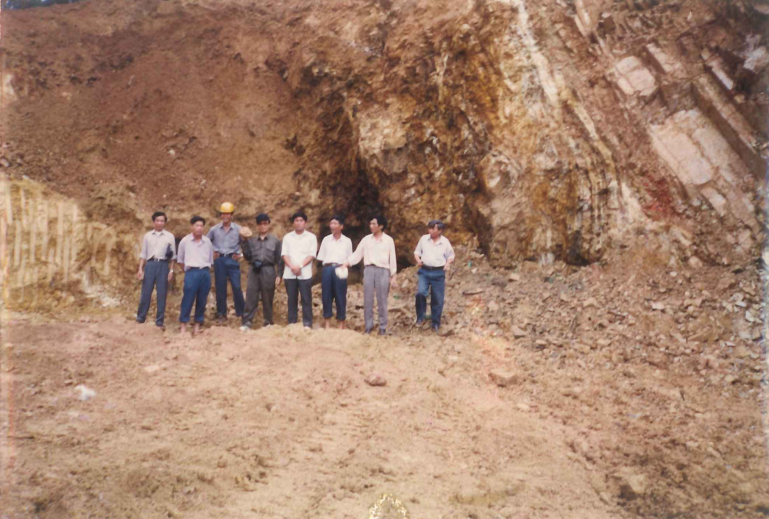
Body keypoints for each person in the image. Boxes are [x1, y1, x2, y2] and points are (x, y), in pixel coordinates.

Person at [342, 215, 397, 335]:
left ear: (381, 226)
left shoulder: (388, 240)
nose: (371, 226)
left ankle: (382, 326)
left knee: (382, 300)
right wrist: (346, 263)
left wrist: (393, 275)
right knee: (368, 299)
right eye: (370, 223)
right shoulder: (366, 239)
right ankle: (368, 326)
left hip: (383, 270)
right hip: (369, 270)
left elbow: (392, 258)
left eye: (374, 224)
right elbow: (357, 254)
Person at [240, 213, 283, 331]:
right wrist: (244, 241)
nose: (263, 226)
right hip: (254, 270)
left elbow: (279, 259)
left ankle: (268, 322)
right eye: (260, 224)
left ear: (269, 224)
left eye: (265, 223)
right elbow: (247, 256)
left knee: (268, 296)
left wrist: (279, 274)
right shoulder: (252, 240)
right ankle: (247, 322)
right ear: (257, 225)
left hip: (268, 269)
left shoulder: (275, 241)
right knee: (251, 296)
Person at [136, 211, 176, 329]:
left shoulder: (170, 236)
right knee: (146, 292)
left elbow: (173, 256)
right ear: (153, 222)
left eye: (162, 221)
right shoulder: (147, 236)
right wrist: (140, 269)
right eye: (157, 220)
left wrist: (171, 271)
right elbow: (143, 254)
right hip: (150, 264)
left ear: (165, 222)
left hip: (163, 265)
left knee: (162, 293)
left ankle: (159, 320)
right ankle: (141, 317)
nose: (159, 223)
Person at [413, 220, 455, 332]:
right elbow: (417, 252)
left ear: (440, 230)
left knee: (437, 298)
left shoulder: (445, 242)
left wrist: (447, 263)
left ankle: (435, 322)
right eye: (429, 227)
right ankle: (420, 317)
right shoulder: (423, 239)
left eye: (433, 228)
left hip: (438, 272)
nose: (430, 230)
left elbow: (451, 256)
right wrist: (418, 261)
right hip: (425, 271)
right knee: (421, 293)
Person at [208, 202, 246, 325]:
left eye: (228, 214)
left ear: (232, 215)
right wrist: (212, 253)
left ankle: (241, 312)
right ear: (220, 215)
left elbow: (245, 244)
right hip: (219, 261)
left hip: (232, 260)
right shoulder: (214, 230)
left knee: (236, 287)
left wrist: (241, 255)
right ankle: (221, 314)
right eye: (223, 214)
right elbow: (206, 243)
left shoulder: (238, 229)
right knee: (220, 288)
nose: (225, 216)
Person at [177, 216, 214, 335]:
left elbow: (210, 258)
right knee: (187, 299)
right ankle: (183, 325)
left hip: (204, 272)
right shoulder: (185, 241)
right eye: (196, 225)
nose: (199, 228)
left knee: (202, 299)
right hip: (191, 272)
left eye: (201, 226)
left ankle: (197, 325)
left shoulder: (207, 241)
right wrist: (188, 271)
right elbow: (180, 260)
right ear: (191, 227)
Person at [281, 211, 317, 328]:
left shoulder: (311, 237)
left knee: (306, 299)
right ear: (293, 223)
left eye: (301, 220)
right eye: (296, 220)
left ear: (305, 223)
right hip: (289, 273)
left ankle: (307, 324)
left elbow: (311, 255)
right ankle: (292, 323)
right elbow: (284, 254)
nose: (299, 223)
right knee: (291, 299)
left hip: (305, 273)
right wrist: (292, 266)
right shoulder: (287, 237)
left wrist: (300, 266)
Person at [317, 215, 353, 330]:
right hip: (327, 268)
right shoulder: (326, 240)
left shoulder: (347, 241)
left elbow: (350, 258)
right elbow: (321, 257)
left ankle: (341, 324)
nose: (332, 226)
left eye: (335, 223)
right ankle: (327, 323)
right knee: (326, 295)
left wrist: (343, 266)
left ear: (341, 226)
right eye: (331, 223)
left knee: (340, 296)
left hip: (340, 268)